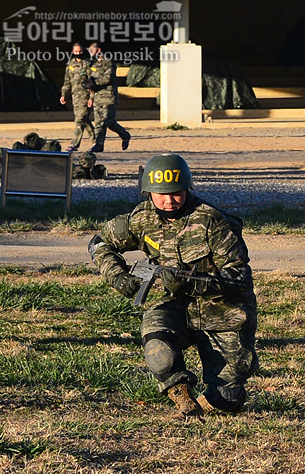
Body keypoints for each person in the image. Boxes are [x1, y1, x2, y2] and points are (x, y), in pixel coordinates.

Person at [88, 153, 258, 417]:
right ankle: (180, 394)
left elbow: (239, 276)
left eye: (176, 192)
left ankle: (208, 402)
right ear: (148, 193)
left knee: (227, 399)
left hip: (223, 312)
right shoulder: (141, 219)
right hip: (175, 306)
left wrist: (193, 284)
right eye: (160, 194)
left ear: (187, 189)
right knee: (158, 347)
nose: (168, 200)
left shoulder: (213, 222)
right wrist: (117, 276)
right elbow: (99, 242)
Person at [87, 42, 131, 153]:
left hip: (108, 96)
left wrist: (94, 83)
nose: (90, 54)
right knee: (98, 122)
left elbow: (107, 79)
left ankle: (124, 134)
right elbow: (90, 79)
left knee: (108, 121)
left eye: (92, 51)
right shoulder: (93, 65)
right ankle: (99, 144)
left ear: (99, 50)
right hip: (97, 96)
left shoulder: (108, 63)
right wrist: (91, 96)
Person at [59, 42, 94, 152]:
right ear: (72, 52)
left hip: (85, 95)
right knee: (84, 119)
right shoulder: (70, 65)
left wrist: (91, 97)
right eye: (76, 51)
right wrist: (63, 94)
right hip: (75, 96)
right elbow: (67, 81)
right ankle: (95, 137)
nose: (78, 53)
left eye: (80, 51)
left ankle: (74, 144)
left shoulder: (87, 64)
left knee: (79, 119)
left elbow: (92, 81)